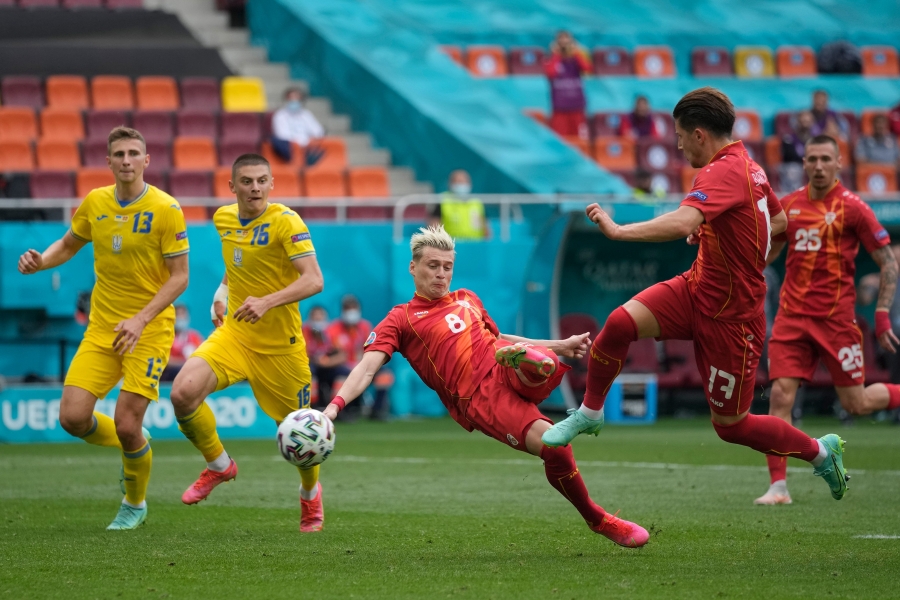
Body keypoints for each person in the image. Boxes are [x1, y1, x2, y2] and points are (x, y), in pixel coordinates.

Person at [542, 87, 852, 503]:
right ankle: (589, 413)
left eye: (681, 135)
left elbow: (684, 219)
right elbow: (778, 226)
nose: (678, 143)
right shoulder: (752, 169)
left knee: (732, 426)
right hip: (696, 289)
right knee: (619, 324)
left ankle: (820, 452)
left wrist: (619, 231)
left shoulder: (721, 171)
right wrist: (722, 237)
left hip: (733, 319)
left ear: (701, 134)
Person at [322, 225, 649, 548]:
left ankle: (534, 362)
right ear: (413, 267)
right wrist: (333, 407)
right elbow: (366, 368)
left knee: (532, 359)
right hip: (481, 398)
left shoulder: (467, 298)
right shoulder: (401, 319)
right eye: (432, 266)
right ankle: (598, 519)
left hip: (501, 364)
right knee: (556, 447)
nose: (440, 274)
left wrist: (561, 345)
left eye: (447, 267)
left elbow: (499, 338)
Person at [17, 126, 190, 530]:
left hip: (148, 329)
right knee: (72, 419)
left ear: (146, 160)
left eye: (134, 153)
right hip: (102, 329)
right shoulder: (95, 201)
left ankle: (134, 502)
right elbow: (68, 243)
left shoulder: (167, 209)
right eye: (119, 154)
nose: (126, 160)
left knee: (127, 422)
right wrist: (40, 260)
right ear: (108, 161)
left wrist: (141, 317)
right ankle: (137, 443)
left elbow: (179, 277)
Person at [170, 154, 327, 532]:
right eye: (247, 181)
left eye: (261, 180)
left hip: (281, 347)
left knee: (300, 436)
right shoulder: (224, 218)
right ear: (233, 186)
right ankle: (219, 466)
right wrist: (221, 292)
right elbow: (238, 262)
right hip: (236, 334)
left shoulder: (287, 222)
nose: (254, 187)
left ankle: (310, 495)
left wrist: (267, 301)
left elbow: (314, 280)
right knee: (182, 393)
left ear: (271, 184)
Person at [755, 135, 900, 505]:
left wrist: (882, 315)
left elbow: (888, 262)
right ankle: (778, 488)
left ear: (838, 164)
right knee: (780, 397)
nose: (818, 165)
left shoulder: (855, 209)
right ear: (803, 164)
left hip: (836, 321)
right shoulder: (789, 207)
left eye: (825, 159)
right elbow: (766, 253)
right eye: (811, 159)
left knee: (857, 403)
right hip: (791, 319)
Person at [325, 294, 393, 419]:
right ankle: (342, 412)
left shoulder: (365, 327)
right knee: (342, 376)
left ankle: (377, 411)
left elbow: (371, 349)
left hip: (361, 364)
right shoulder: (333, 329)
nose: (351, 311)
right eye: (347, 308)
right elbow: (332, 353)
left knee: (384, 375)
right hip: (341, 367)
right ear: (342, 311)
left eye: (354, 308)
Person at [544, 30, 591, 141]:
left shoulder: (577, 59)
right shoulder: (551, 59)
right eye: (561, 41)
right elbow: (550, 73)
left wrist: (575, 52)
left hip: (577, 109)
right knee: (559, 142)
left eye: (567, 40)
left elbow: (587, 68)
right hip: (559, 110)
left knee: (581, 142)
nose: (564, 44)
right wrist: (556, 55)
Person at [301, 305, 347, 407]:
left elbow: (342, 355)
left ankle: (337, 406)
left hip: (328, 366)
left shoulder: (331, 332)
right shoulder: (304, 332)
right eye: (315, 317)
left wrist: (327, 362)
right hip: (311, 365)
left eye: (320, 317)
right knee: (309, 371)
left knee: (344, 372)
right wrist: (316, 361)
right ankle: (313, 406)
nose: (318, 320)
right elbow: (302, 355)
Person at [427, 170, 488, 240]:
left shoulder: (477, 203)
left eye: (464, 182)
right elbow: (433, 228)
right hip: (451, 246)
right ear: (450, 184)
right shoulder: (443, 201)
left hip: (475, 246)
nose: (461, 185)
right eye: (458, 182)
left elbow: (486, 229)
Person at [270, 88, 325, 164]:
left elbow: (318, 131)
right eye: (291, 99)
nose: (294, 101)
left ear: (301, 100)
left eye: (296, 99)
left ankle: (307, 162)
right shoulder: (280, 115)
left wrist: (311, 140)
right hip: (289, 146)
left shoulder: (306, 114)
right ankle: (296, 162)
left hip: (307, 145)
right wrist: (300, 142)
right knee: (277, 141)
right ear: (286, 100)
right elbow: (282, 134)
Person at [161, 305, 205, 382]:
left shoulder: (194, 337)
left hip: (192, 372)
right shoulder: (166, 337)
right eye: (178, 314)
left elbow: (203, 358)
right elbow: (166, 361)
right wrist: (184, 363)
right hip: (171, 374)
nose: (181, 318)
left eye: (183, 314)